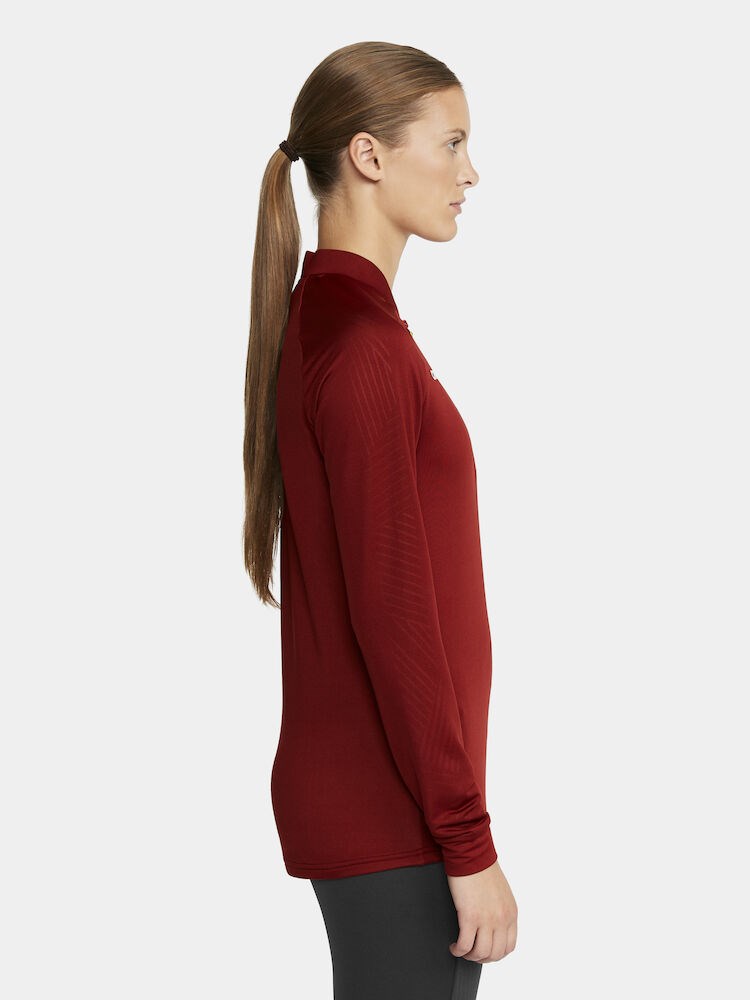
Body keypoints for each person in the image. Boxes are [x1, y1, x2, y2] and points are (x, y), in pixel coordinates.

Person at [243, 40, 518, 999]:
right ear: (368, 155)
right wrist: (467, 840)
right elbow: (395, 620)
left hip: (394, 807)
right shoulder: (358, 346)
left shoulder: (345, 323)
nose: (470, 173)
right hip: (394, 813)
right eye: (451, 143)